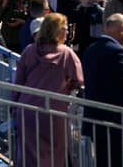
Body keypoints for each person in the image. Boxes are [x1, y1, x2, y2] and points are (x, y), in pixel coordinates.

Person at [11, 12, 83, 166]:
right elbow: (79, 81)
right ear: (58, 31)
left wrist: (14, 107)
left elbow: (18, 83)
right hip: (54, 111)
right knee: (56, 155)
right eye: (65, 28)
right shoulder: (66, 53)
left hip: (27, 110)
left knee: (29, 155)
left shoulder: (29, 51)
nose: (68, 32)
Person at [81, 14, 123, 167]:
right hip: (115, 123)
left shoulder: (91, 50)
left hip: (96, 120)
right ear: (122, 30)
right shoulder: (117, 51)